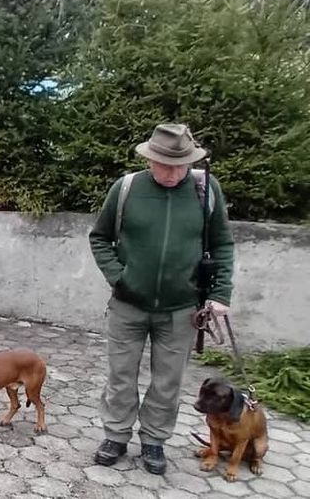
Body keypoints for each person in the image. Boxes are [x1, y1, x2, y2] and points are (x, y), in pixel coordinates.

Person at [88, 123, 235, 475]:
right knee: (121, 376)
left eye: (179, 165)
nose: (171, 173)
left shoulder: (205, 190)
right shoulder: (127, 188)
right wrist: (119, 277)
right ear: (149, 159)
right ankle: (116, 435)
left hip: (182, 309)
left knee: (168, 380)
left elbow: (222, 244)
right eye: (164, 164)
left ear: (190, 161)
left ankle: (154, 440)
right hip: (127, 305)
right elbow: (99, 238)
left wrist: (219, 293)